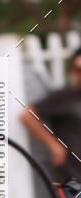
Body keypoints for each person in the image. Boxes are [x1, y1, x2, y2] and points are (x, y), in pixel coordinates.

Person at [19, 46, 81, 182]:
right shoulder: (64, 96)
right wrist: (53, 145)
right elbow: (28, 116)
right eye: (78, 70)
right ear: (72, 71)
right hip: (73, 180)